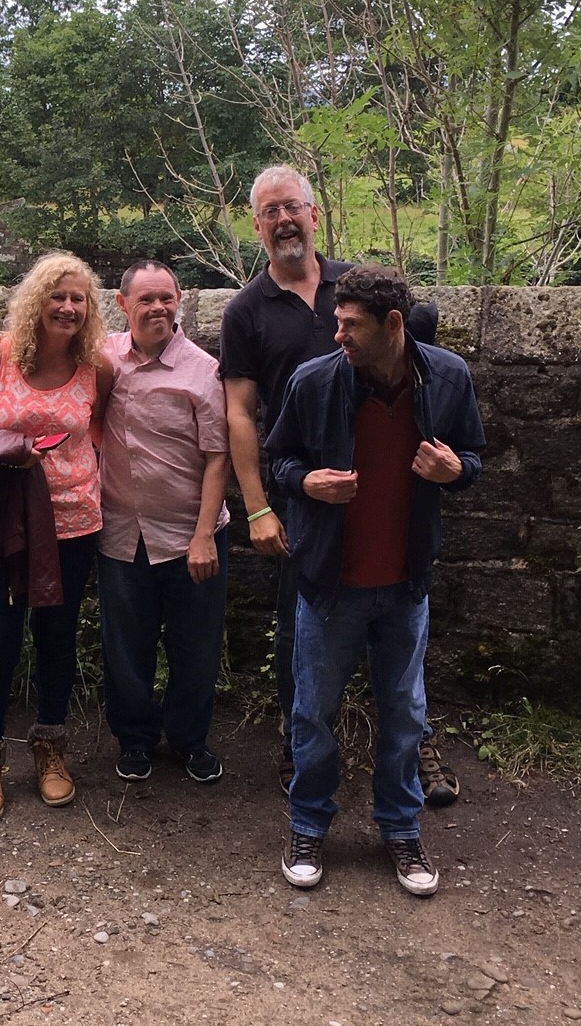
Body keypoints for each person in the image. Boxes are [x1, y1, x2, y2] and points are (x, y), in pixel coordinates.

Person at [219, 164, 458, 806]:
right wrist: (259, 507)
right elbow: (240, 413)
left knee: (400, 627)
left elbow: (422, 359)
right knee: (301, 626)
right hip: (303, 494)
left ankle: (417, 742)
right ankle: (298, 747)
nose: (283, 220)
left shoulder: (355, 288)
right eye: (269, 212)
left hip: (380, 492)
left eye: (292, 207)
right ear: (257, 226)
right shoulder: (246, 310)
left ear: (315, 214)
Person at [263, 265, 484, 898]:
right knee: (313, 714)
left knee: (405, 716)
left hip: (405, 584)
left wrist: (453, 471)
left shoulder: (448, 378)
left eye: (351, 325)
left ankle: (400, 828)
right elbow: (280, 461)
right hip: (331, 582)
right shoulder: (314, 383)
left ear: (392, 325)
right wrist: (307, 483)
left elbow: (474, 459)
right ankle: (308, 825)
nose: (338, 336)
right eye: (336, 321)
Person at [0, 252, 110, 820]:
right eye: (56, 296)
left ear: (89, 309)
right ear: (36, 301)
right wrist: (8, 450)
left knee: (57, 636)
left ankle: (49, 748)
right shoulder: (0, 358)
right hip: (9, 520)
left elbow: (101, 426)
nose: (67, 308)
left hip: (74, 521)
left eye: (77, 299)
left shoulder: (98, 366)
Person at [95, 261, 232, 786]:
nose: (158, 308)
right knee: (125, 647)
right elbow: (42, 353)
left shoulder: (204, 370)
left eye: (166, 298)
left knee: (195, 646)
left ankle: (190, 740)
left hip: (190, 533)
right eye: (146, 299)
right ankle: (135, 739)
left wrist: (203, 537)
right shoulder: (103, 357)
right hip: (121, 532)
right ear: (122, 303)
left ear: (181, 300)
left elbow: (217, 456)